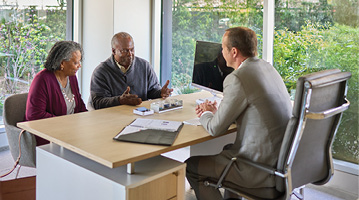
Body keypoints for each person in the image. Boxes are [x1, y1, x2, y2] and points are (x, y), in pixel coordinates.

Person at [185, 27, 292, 200]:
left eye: (222, 48)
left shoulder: (237, 77)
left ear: (233, 52)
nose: (221, 51)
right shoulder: (267, 68)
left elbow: (214, 129)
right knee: (227, 149)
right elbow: (253, 108)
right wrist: (218, 111)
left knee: (191, 167)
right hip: (282, 164)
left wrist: (205, 113)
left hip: (259, 168)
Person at [25, 41, 87, 146]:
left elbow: (79, 106)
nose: (79, 66)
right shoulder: (42, 79)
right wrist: (66, 123)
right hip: (49, 137)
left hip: (72, 132)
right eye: (76, 63)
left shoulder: (72, 77)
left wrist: (88, 121)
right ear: (62, 63)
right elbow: (34, 115)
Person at [90, 32, 173, 109]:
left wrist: (161, 93)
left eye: (132, 49)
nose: (130, 54)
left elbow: (152, 91)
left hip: (141, 116)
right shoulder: (101, 72)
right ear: (114, 51)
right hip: (113, 119)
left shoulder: (144, 66)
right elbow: (97, 103)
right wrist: (119, 100)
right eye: (125, 50)